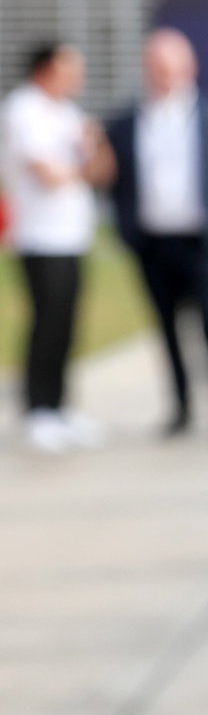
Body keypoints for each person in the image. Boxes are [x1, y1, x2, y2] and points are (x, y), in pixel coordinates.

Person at [107, 28, 208, 440]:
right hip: (151, 240)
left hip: (198, 239)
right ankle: (180, 408)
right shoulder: (126, 121)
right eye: (154, 67)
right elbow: (113, 179)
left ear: (188, 67)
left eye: (169, 66)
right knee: (166, 329)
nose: (162, 74)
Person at [0, 43, 114, 452]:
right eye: (71, 67)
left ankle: (61, 406)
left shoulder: (69, 114)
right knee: (45, 322)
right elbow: (48, 174)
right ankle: (38, 410)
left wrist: (92, 152)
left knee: (68, 324)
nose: (79, 75)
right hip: (38, 237)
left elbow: (102, 169)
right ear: (48, 69)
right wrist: (83, 164)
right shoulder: (23, 109)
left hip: (73, 236)